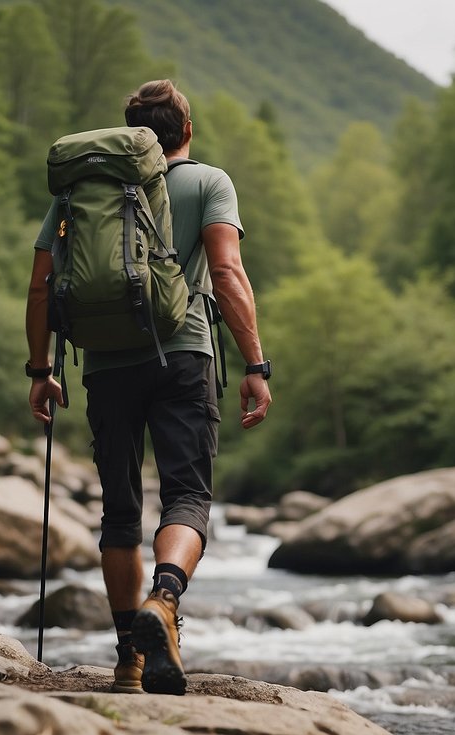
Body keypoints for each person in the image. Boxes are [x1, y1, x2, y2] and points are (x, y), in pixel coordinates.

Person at [25, 79, 272, 695]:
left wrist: (39, 370)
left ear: (133, 135)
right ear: (186, 130)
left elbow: (40, 285)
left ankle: (128, 660)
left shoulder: (81, 196)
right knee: (186, 495)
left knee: (119, 512)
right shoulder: (209, 183)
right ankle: (163, 602)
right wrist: (256, 366)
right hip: (183, 354)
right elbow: (227, 270)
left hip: (105, 365)